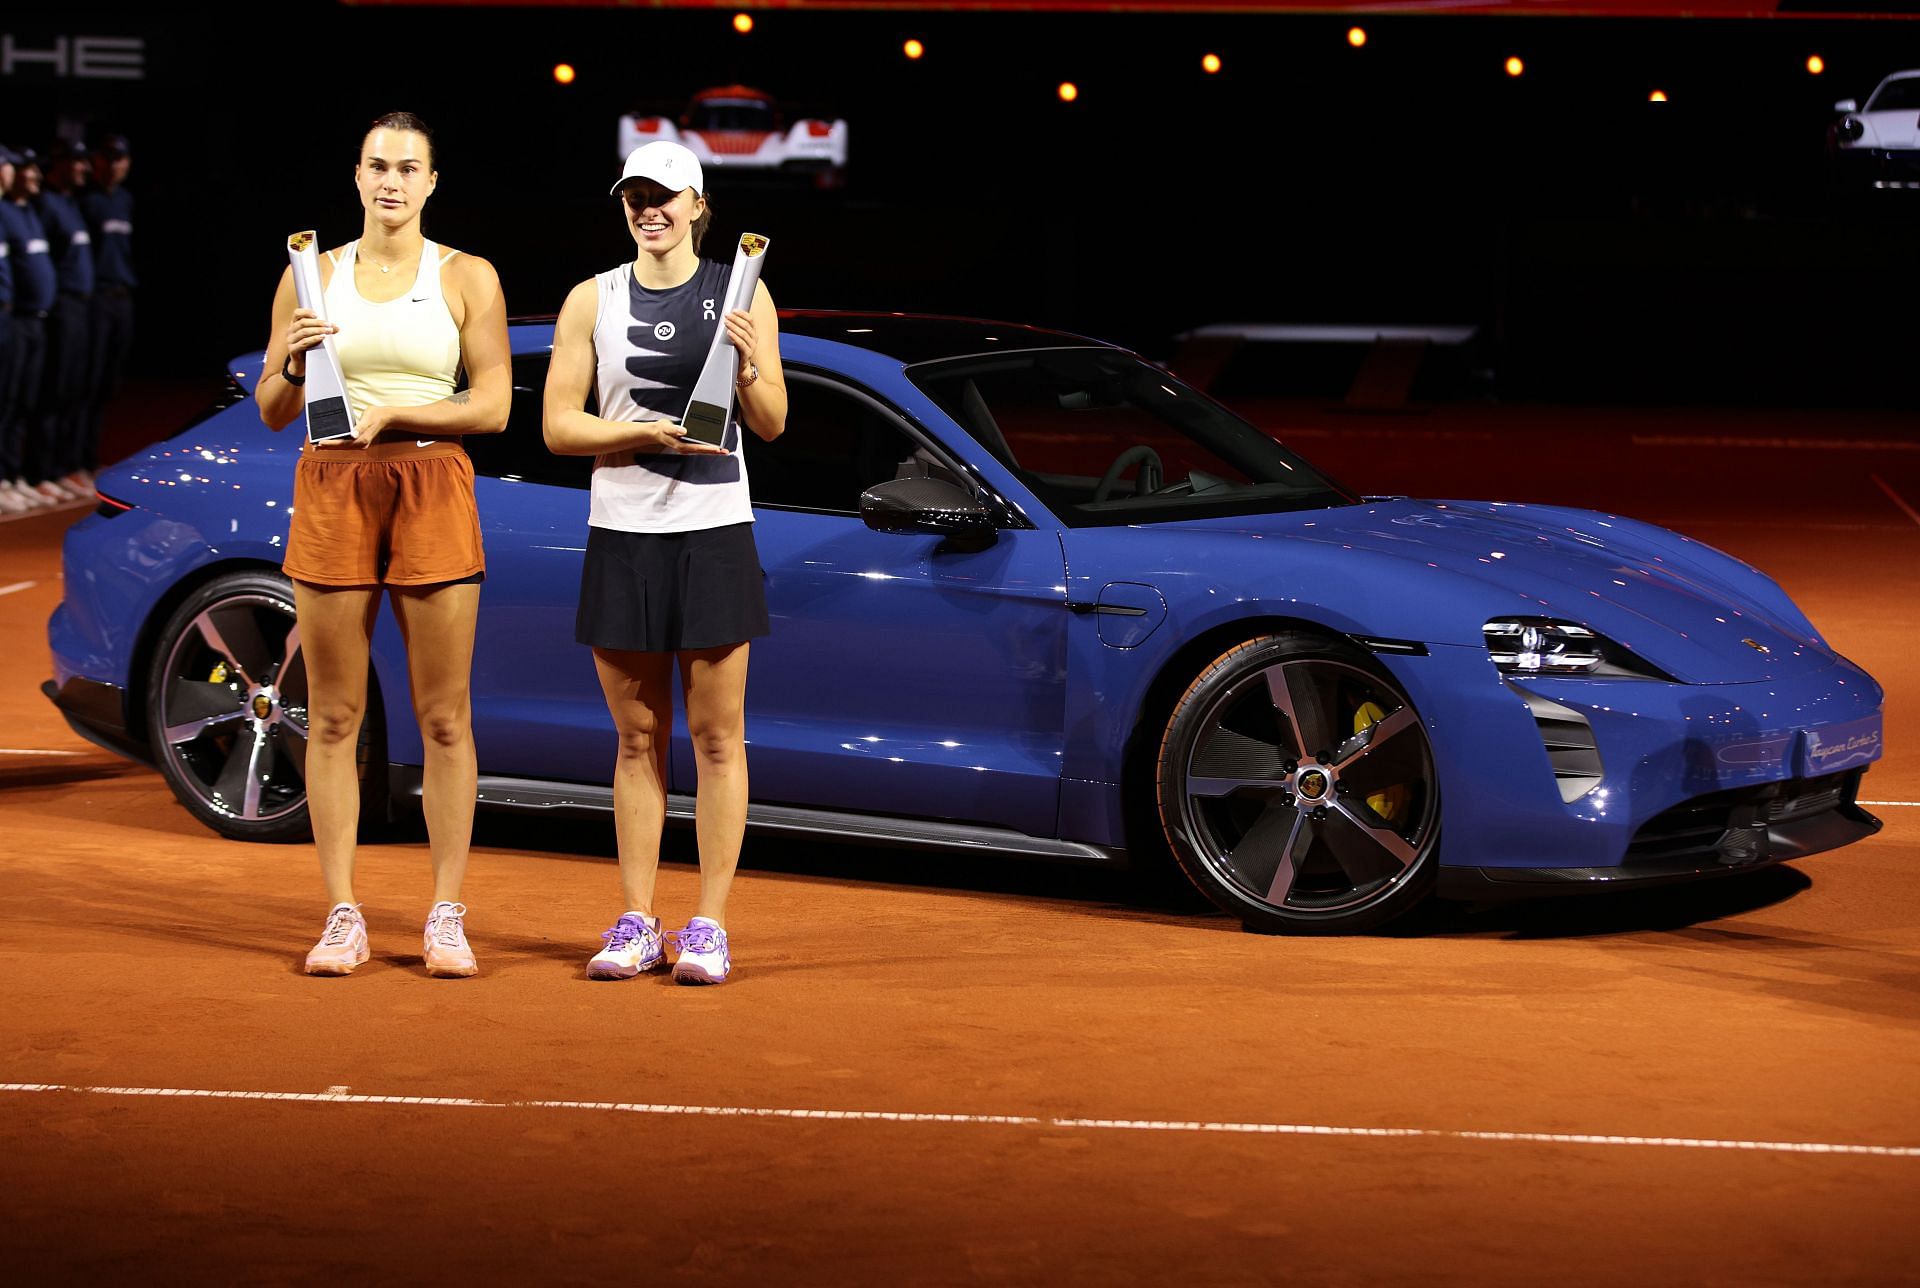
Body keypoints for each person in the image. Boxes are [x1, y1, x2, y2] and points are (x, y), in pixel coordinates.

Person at [255, 111, 510, 978]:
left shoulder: (467, 275)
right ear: (356, 177)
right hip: (331, 483)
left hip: (431, 479)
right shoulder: (309, 276)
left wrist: (403, 412)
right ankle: (341, 912)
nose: (391, 181)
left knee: (444, 715)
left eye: (408, 168)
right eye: (377, 166)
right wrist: (289, 363)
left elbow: (494, 407)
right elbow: (271, 408)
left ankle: (445, 912)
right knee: (332, 715)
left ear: (432, 182)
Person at [543, 139, 786, 986]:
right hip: (623, 535)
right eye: (636, 197)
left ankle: (709, 925)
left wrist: (751, 360)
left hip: (715, 531)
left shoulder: (741, 293)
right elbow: (559, 427)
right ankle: (638, 920)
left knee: (719, 740)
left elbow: (772, 422)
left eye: (666, 197)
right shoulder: (592, 299)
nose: (651, 210)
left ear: (697, 205)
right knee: (637, 739)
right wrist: (639, 434)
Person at [34, 139, 95, 499]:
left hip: (84, 306)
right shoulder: (44, 205)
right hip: (61, 308)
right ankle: (44, 469)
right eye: (75, 161)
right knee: (54, 391)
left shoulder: (75, 203)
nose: (83, 168)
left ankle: (70, 464)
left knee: (79, 388)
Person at [0, 148, 59, 510]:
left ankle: (9, 475)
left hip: (18, 318)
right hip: (11, 317)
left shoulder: (20, 212)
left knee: (18, 401)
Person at [81, 133, 135, 482]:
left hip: (121, 296)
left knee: (107, 383)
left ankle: (87, 460)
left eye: (121, 158)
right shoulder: (85, 201)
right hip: (94, 299)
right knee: (84, 382)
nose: (115, 165)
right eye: (108, 157)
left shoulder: (125, 200)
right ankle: (72, 462)